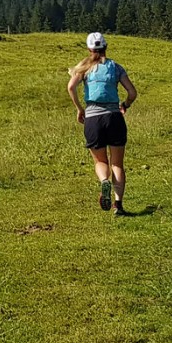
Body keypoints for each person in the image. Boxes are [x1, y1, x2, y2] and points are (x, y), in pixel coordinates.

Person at [68, 32, 138, 216]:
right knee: (118, 164)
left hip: (92, 118)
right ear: (105, 47)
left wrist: (79, 108)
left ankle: (104, 181)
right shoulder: (115, 67)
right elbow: (132, 92)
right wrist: (125, 105)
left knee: (100, 160)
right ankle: (118, 205)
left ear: (89, 49)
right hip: (114, 117)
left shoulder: (84, 68)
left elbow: (70, 87)